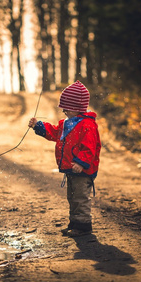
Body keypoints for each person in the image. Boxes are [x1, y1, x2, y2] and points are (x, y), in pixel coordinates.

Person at [28, 80, 101, 237]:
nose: (64, 112)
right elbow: (55, 133)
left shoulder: (87, 125)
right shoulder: (67, 123)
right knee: (72, 197)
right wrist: (39, 126)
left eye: (67, 109)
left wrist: (81, 163)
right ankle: (74, 223)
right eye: (64, 109)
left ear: (76, 108)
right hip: (70, 168)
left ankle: (83, 226)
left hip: (82, 170)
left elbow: (90, 148)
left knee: (81, 198)